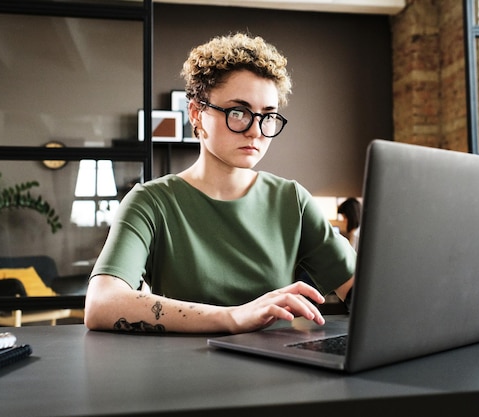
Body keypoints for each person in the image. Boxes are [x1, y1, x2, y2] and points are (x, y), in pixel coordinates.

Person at [84, 33, 355, 334]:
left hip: (281, 374)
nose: (256, 131)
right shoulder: (150, 202)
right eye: (238, 112)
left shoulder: (292, 200)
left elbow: (359, 290)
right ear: (197, 113)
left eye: (268, 116)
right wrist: (233, 317)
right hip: (185, 372)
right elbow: (101, 303)